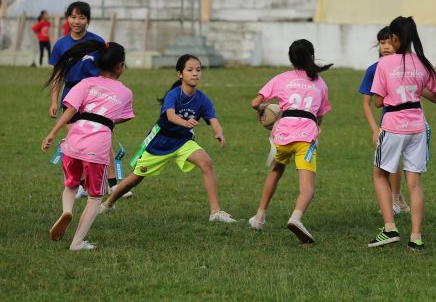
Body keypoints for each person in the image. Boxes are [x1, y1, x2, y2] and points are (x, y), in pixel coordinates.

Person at [102, 54, 236, 224]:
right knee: (135, 178)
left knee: (206, 162)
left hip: (182, 141)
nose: (195, 73)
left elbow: (214, 120)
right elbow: (171, 116)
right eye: (190, 70)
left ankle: (215, 212)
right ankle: (108, 204)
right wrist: (185, 122)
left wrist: (219, 132)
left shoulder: (202, 99)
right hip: (160, 142)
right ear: (180, 74)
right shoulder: (173, 95)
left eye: (198, 70)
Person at [42, 41, 134, 250]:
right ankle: (77, 242)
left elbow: (71, 110)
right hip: (97, 145)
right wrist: (108, 119)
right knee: (95, 196)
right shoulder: (125, 92)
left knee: (71, 184)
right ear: (120, 66)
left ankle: (67, 210)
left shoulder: (85, 83)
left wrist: (52, 133)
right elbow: (125, 116)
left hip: (74, 140)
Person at [368, 16, 436, 250]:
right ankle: (416, 237)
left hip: (393, 125)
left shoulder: (385, 63)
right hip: (417, 125)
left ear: (394, 38)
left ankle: (390, 228)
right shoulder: (423, 63)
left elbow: (378, 102)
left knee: (380, 174)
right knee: (414, 183)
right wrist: (417, 90)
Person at [249, 40, 332, 244]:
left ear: (291, 59)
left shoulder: (281, 78)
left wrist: (267, 109)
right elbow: (319, 116)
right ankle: (296, 218)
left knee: (276, 171)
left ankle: (259, 217)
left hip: (283, 135)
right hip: (306, 137)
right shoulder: (320, 83)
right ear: (312, 56)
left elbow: (255, 103)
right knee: (307, 187)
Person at [359, 27, 409, 216]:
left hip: (410, 121)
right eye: (382, 43)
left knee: (397, 162)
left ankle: (396, 199)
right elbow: (367, 103)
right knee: (390, 160)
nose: (386, 47)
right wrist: (374, 128)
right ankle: (396, 200)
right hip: (389, 121)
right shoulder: (374, 69)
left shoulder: (407, 66)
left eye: (389, 42)